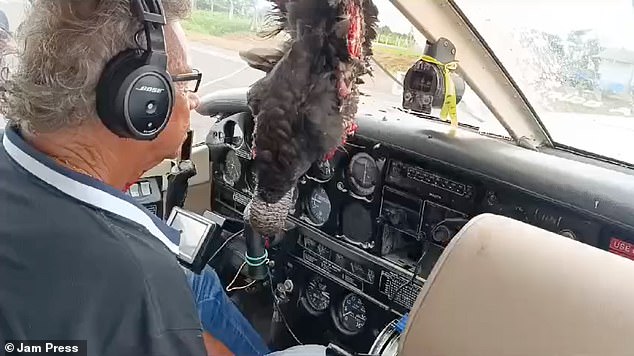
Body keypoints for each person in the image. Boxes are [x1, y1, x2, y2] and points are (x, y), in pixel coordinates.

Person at [0, 1, 270, 355]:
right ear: (142, 100)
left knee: (198, 283)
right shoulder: (140, 282)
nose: (195, 100)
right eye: (185, 82)